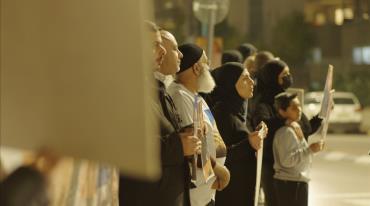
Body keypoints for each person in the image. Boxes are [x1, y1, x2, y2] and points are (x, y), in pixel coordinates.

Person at [118, 21, 200, 206]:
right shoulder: (125, 90)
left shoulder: (151, 88)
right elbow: (130, 145)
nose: (162, 51)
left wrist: (185, 135)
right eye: (155, 45)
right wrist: (179, 145)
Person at [251, 59, 322, 206]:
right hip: (273, 168)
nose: (288, 77)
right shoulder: (263, 103)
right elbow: (262, 126)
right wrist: (284, 120)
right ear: (273, 77)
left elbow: (306, 128)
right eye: (284, 74)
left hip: (295, 171)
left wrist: (322, 116)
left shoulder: (288, 100)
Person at [167, 43, 230, 206]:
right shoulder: (180, 97)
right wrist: (218, 171)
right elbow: (194, 146)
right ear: (196, 68)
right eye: (206, 63)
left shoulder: (196, 97)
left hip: (206, 189)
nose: (209, 68)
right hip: (196, 193)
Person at [211, 62, 264, 206]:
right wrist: (249, 144)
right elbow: (218, 157)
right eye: (245, 78)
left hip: (241, 191)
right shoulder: (222, 114)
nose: (251, 82)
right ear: (231, 83)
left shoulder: (238, 112)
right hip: (230, 195)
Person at [273, 92, 324, 206]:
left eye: (299, 105)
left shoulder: (296, 128)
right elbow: (287, 160)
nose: (299, 109)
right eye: (294, 107)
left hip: (296, 181)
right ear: (282, 111)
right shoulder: (285, 132)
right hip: (290, 184)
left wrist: (311, 150)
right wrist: (310, 150)